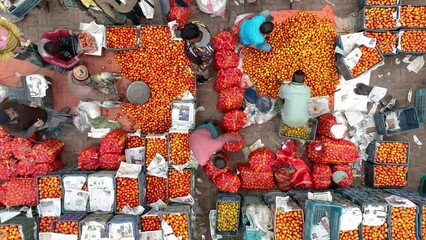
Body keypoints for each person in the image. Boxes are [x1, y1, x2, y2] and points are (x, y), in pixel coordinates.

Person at [0, 100, 72, 138]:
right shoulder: (10, 129)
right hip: (43, 122)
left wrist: (28, 103)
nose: (11, 112)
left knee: (52, 112)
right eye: (10, 116)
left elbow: (16, 101)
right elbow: (24, 134)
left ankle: (61, 114)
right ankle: (67, 120)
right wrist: (34, 126)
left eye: (8, 111)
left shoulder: (5, 106)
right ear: (8, 121)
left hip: (39, 110)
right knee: (54, 121)